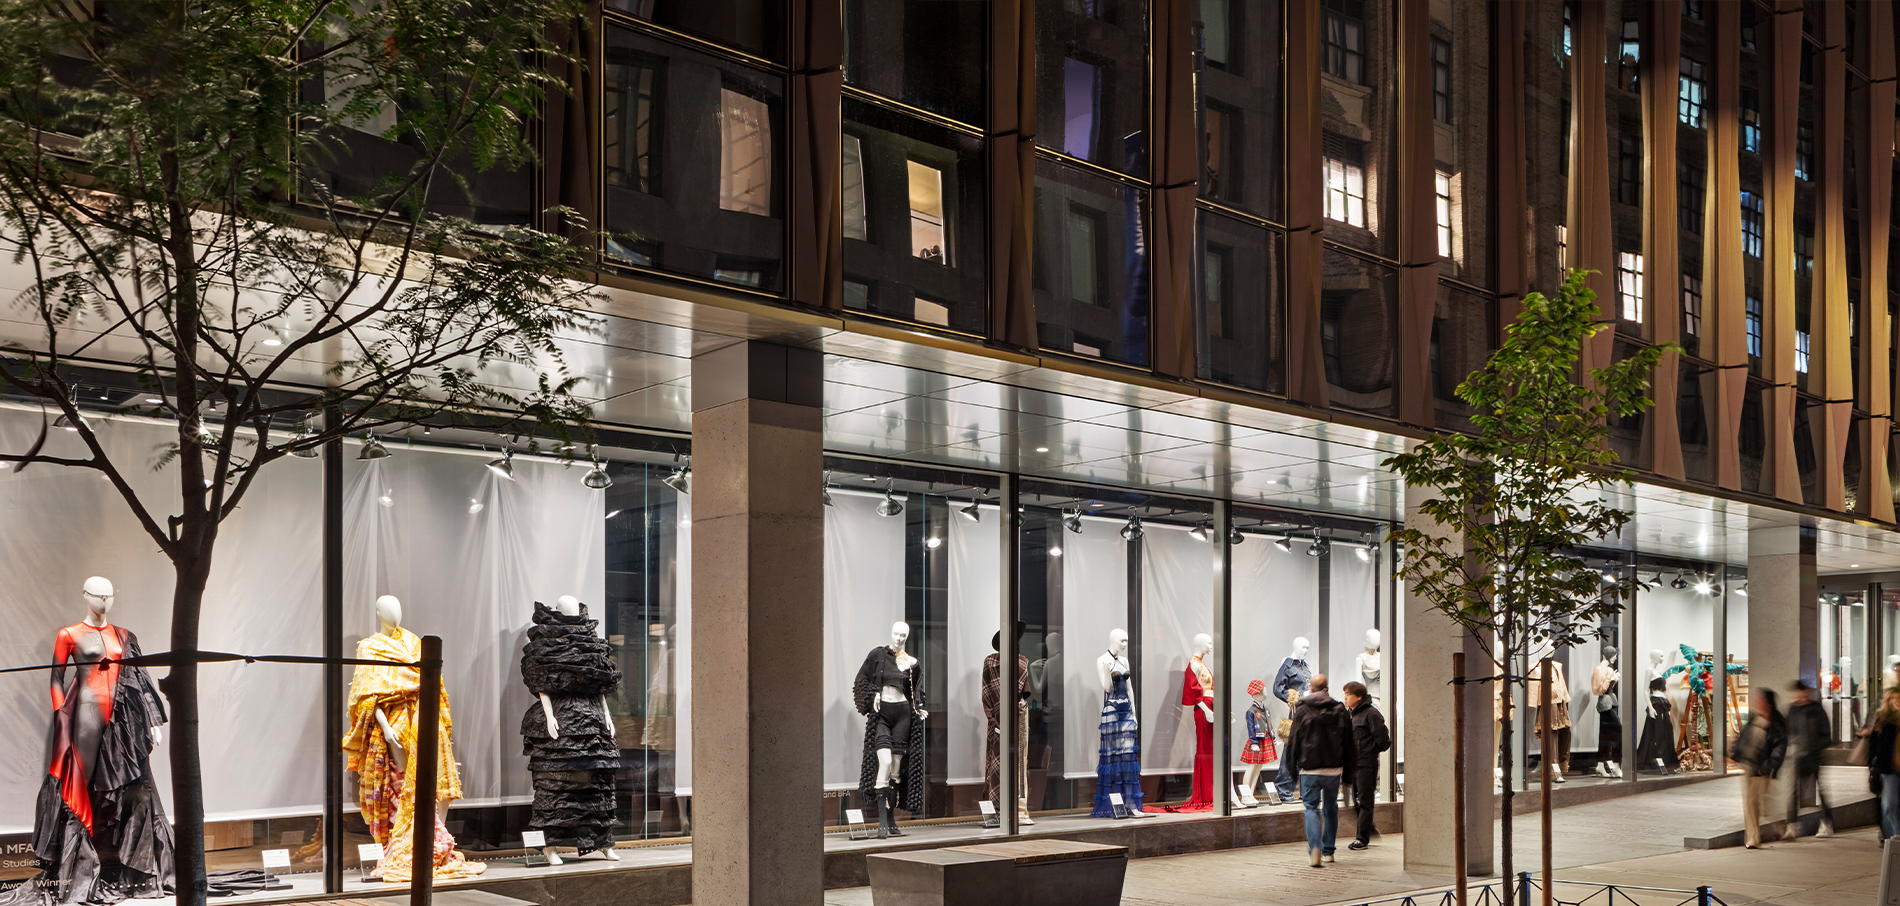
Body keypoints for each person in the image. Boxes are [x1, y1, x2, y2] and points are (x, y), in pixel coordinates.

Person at [1285, 673, 1357, 867]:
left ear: (1311, 689)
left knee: (1310, 809)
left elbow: (1293, 740)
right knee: (1330, 808)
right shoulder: (1340, 709)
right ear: (1326, 688)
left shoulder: (1302, 709)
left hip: (1310, 769)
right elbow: (1349, 743)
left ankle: (1314, 849)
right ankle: (1329, 852)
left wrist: (1291, 770)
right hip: (1333, 769)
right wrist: (1349, 774)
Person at [1732, 688, 1787, 849]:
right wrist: (1736, 756)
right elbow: (1744, 739)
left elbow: (1779, 748)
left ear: (1768, 703)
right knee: (1751, 804)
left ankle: (1758, 836)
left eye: (1761, 699)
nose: (1757, 701)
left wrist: (1768, 766)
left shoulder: (1776, 722)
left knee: (1754, 802)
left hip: (1761, 768)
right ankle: (1755, 836)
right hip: (1748, 766)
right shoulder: (1754, 718)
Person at [1342, 681, 1390, 851]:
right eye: (1345, 693)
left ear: (1359, 696)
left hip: (1366, 764)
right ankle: (1369, 830)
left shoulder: (1371, 714)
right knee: (1355, 801)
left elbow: (1384, 741)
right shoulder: (1351, 715)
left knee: (1364, 802)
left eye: (1348, 694)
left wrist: (1368, 751)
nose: (1345, 697)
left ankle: (1362, 838)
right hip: (1353, 765)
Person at [1784, 680, 1834, 837]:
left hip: (1815, 754)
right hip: (1799, 755)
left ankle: (1827, 824)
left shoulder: (1815, 708)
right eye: (1798, 692)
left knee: (1821, 790)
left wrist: (1816, 745)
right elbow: (1788, 730)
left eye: (1803, 691)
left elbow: (1826, 732)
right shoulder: (1793, 709)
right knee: (1794, 791)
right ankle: (1791, 826)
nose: (1801, 695)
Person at [1864, 687, 1900, 843]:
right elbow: (1874, 745)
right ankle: (1892, 839)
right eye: (1894, 699)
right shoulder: (1883, 720)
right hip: (1888, 770)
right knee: (1888, 805)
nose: (1897, 702)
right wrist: (1873, 766)